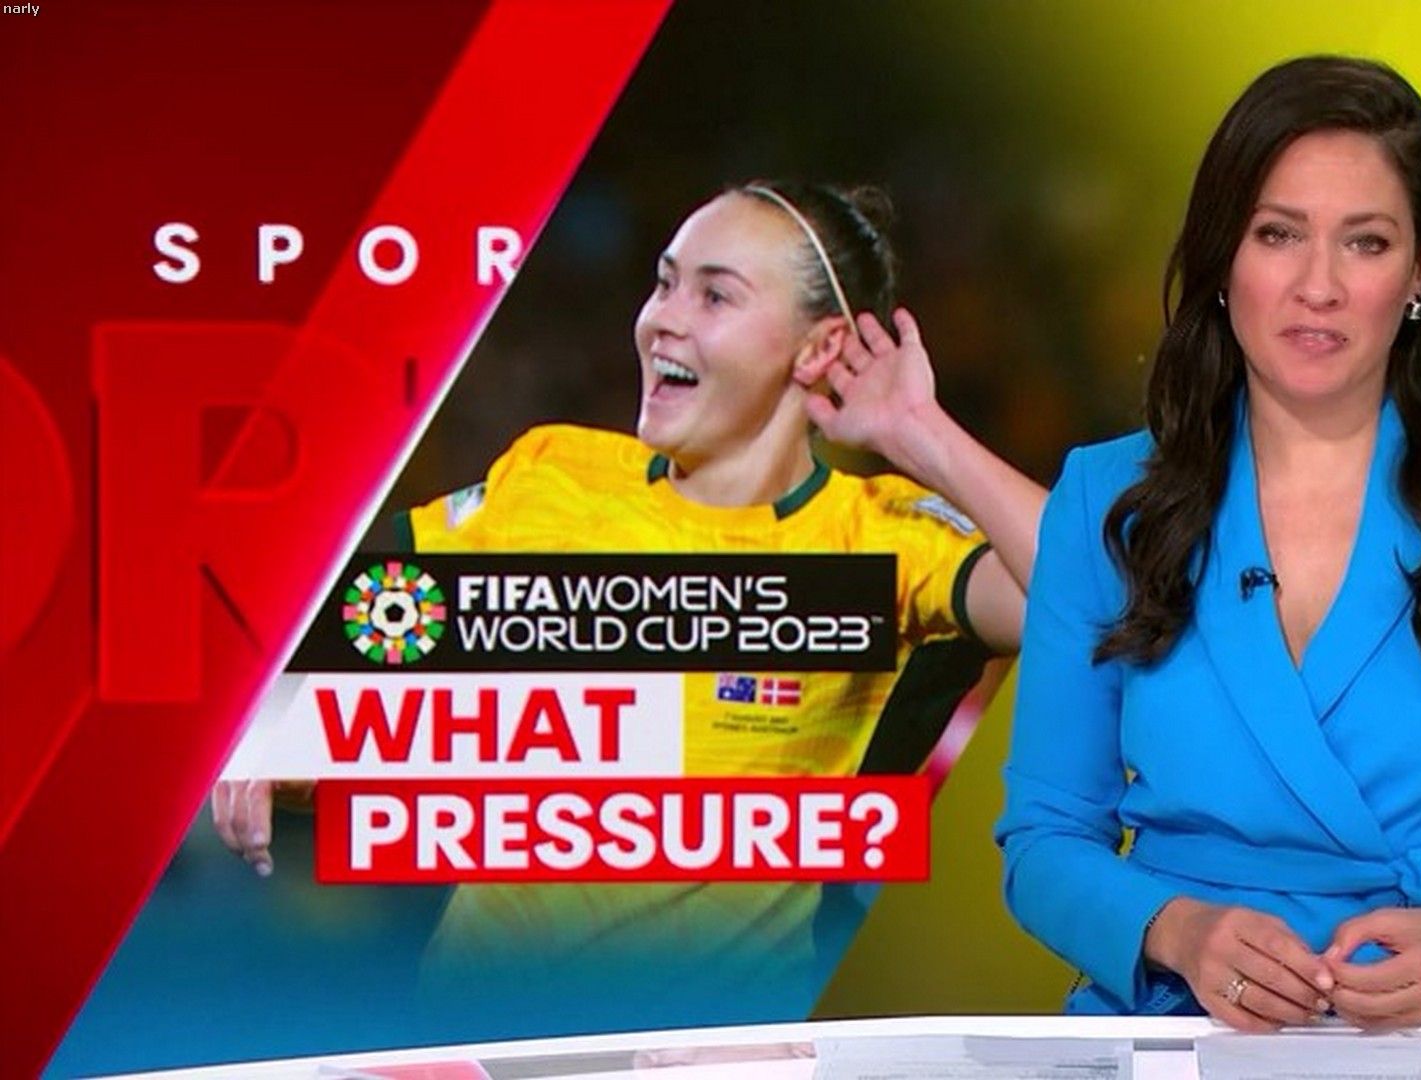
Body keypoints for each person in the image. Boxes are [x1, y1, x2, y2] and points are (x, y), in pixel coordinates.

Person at [214, 180, 1045, 1033]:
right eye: (664, 282)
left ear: (818, 347)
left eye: (715, 295)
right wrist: (272, 731)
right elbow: (343, 623)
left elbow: (1097, 600)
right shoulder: (554, 474)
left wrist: (918, 432)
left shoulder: (882, 543)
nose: (661, 321)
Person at [995, 56, 1421, 1033]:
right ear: (1224, 258)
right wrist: (1178, 932)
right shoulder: (1106, 499)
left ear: (1420, 272)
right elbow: (1045, 839)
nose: (1318, 287)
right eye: (1278, 235)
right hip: (1185, 1024)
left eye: (1366, 243)